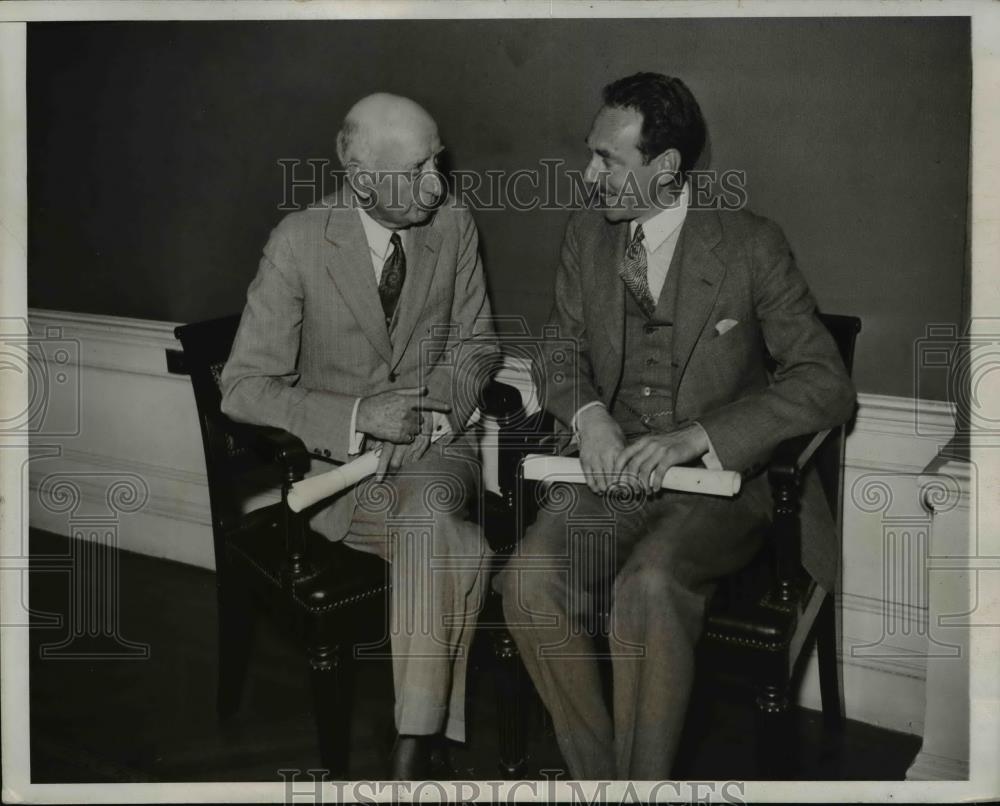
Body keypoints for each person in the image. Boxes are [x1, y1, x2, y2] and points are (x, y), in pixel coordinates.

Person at [496, 72, 856, 780]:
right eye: (591, 153)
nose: (588, 174)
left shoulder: (751, 244)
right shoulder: (586, 237)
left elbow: (825, 382)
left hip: (725, 487)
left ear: (663, 167)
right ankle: (601, 783)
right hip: (610, 477)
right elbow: (560, 351)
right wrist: (592, 418)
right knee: (527, 581)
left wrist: (699, 437)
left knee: (651, 586)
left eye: (607, 160)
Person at [220, 93, 498, 779]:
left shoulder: (453, 224)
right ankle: (425, 739)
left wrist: (430, 412)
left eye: (437, 162)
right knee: (460, 545)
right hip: (343, 480)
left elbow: (476, 346)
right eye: (415, 170)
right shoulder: (298, 242)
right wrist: (358, 417)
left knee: (429, 507)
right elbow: (244, 387)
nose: (436, 184)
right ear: (362, 177)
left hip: (439, 451)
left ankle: (410, 746)